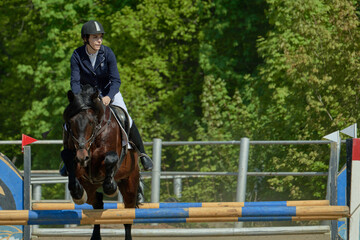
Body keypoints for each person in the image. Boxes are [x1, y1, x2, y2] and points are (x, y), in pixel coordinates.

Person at [60, 20, 153, 175]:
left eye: (100, 37)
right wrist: (78, 100)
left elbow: (116, 80)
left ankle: (142, 154)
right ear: (86, 39)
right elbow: (74, 81)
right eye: (95, 37)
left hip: (109, 91)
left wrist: (109, 96)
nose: (99, 40)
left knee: (126, 118)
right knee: (68, 123)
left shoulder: (108, 53)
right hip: (86, 95)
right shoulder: (77, 55)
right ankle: (67, 159)